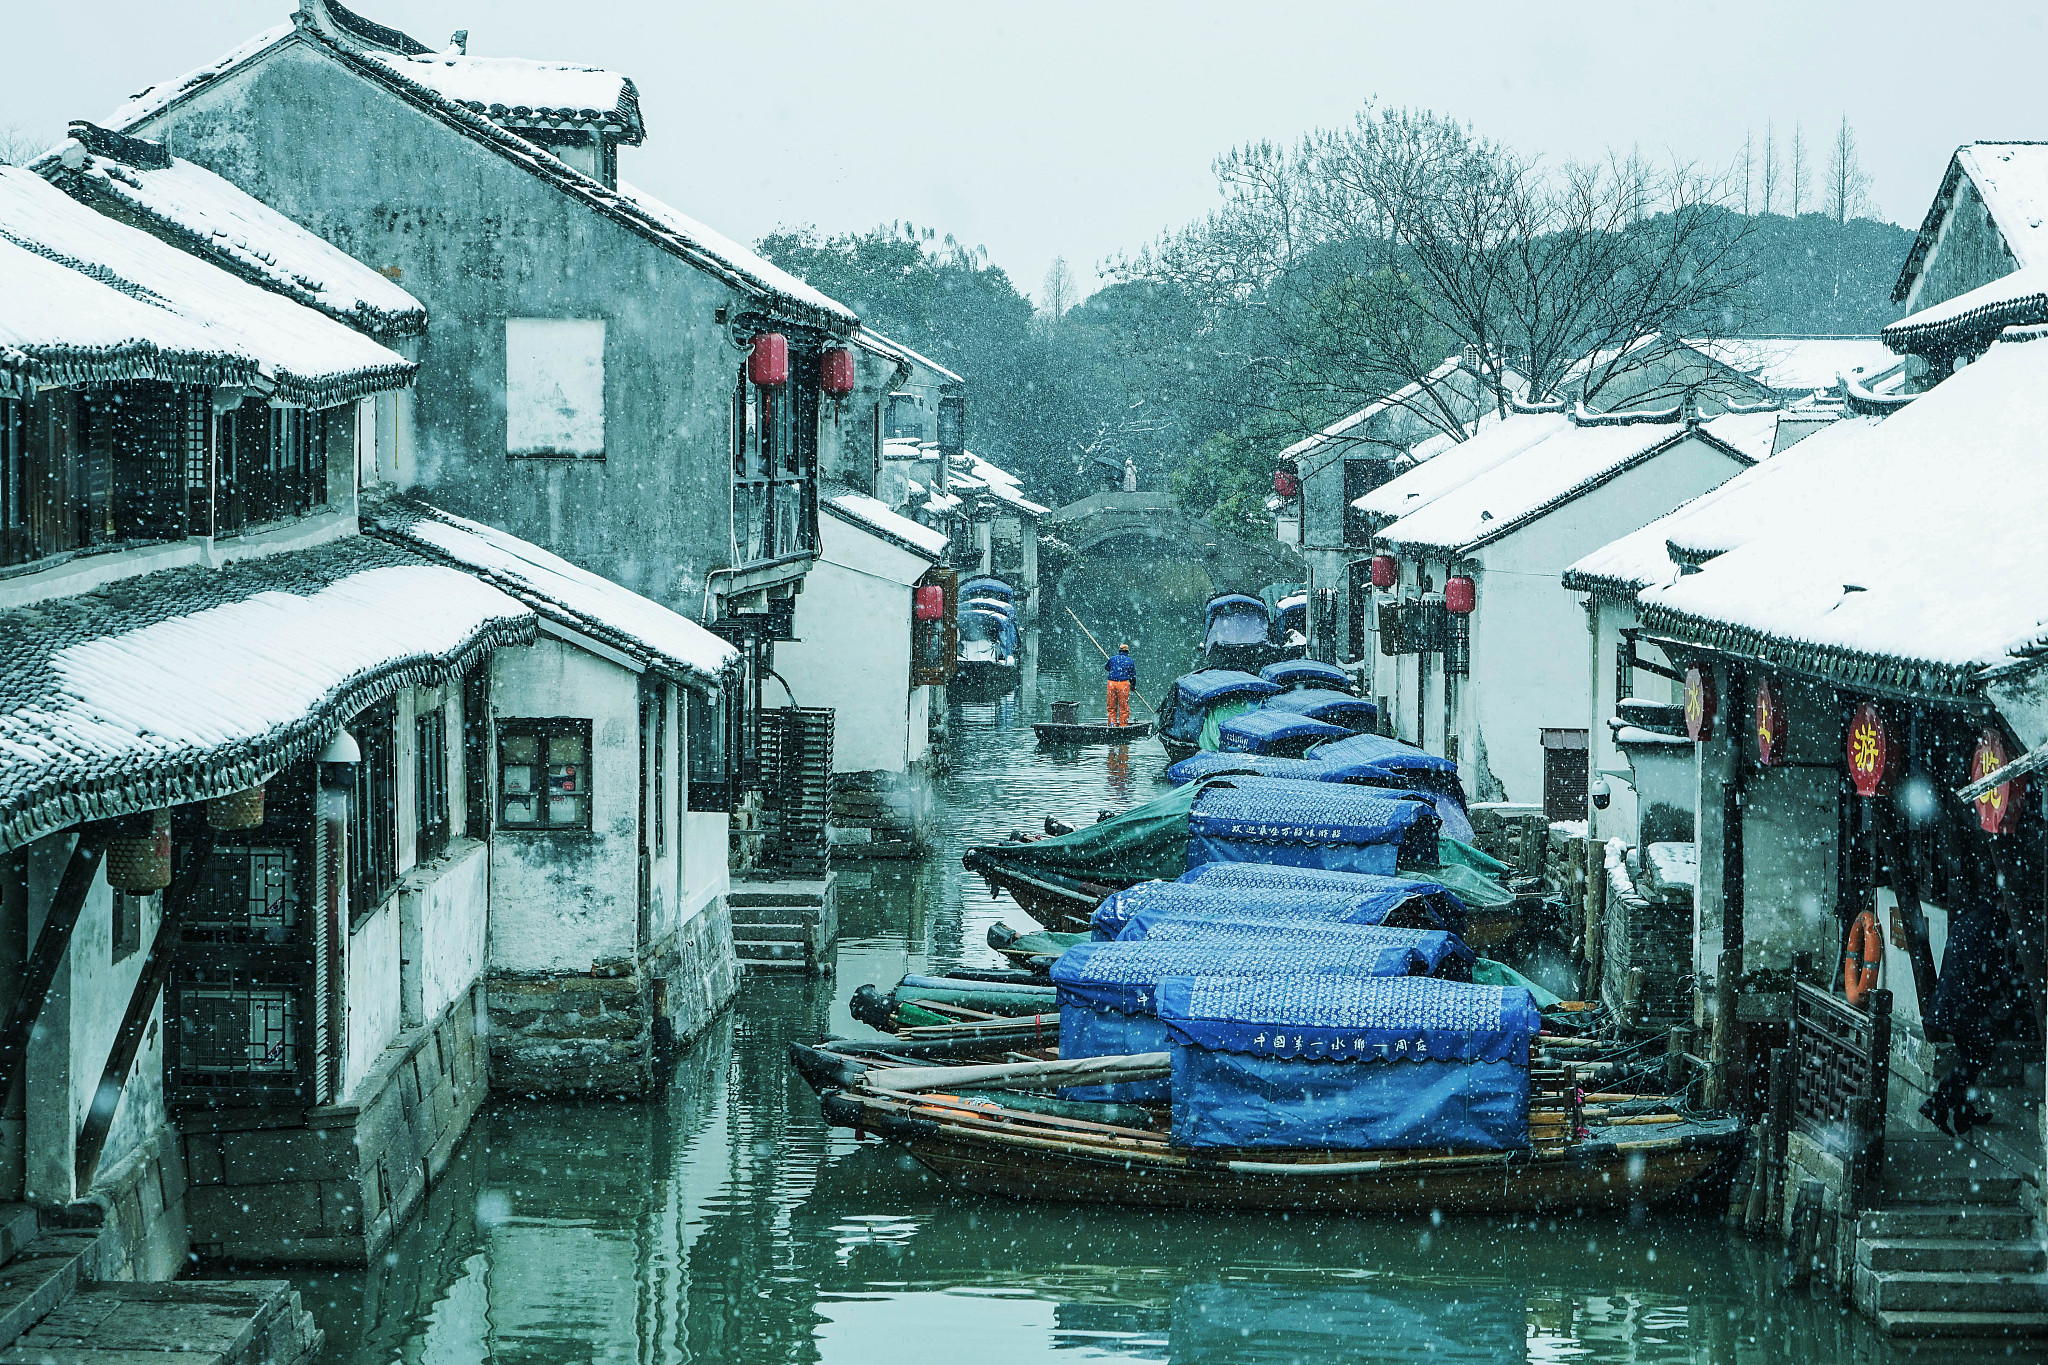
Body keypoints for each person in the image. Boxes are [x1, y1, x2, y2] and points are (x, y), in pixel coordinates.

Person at [1105, 644, 1136, 727]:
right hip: (1123, 684)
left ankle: (1112, 724)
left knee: (1111, 706)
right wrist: (1133, 686)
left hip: (1111, 683)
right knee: (1123, 707)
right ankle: (1123, 726)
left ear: (1119, 651)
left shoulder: (1112, 659)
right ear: (1127, 652)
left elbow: (1107, 668)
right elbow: (1133, 676)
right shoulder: (1129, 661)